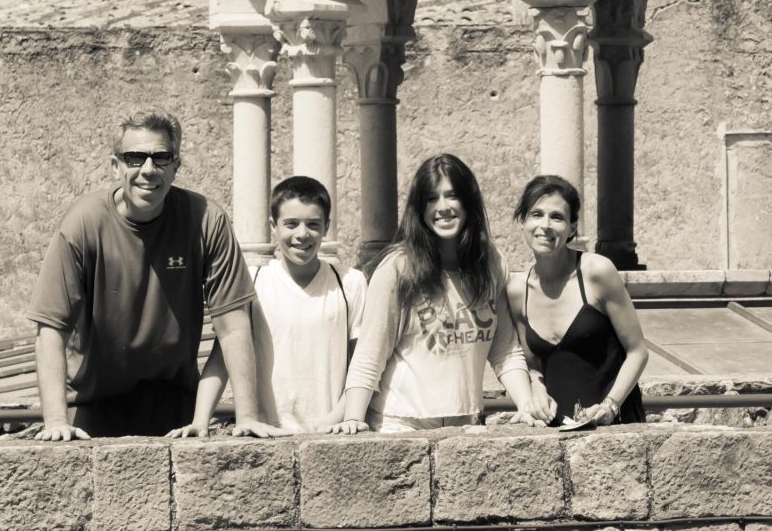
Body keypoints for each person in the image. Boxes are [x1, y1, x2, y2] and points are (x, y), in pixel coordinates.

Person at [27, 108, 287, 440]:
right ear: (116, 166)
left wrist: (246, 416)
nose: (148, 170)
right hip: (94, 407)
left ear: (176, 166)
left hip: (176, 407)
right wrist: (55, 422)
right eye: (135, 158)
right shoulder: (83, 224)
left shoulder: (206, 221)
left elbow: (234, 325)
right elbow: (51, 328)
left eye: (160, 157)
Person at [329, 153, 549, 434]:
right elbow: (370, 353)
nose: (443, 207)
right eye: (432, 198)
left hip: (466, 422)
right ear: (419, 208)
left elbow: (505, 350)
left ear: (468, 201)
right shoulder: (398, 268)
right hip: (400, 423)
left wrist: (526, 405)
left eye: (452, 196)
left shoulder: (490, 263)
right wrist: (353, 419)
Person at [507, 175, 648, 426]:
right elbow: (534, 366)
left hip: (615, 425)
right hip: (554, 431)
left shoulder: (597, 272)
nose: (545, 225)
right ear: (523, 222)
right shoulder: (517, 290)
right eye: (536, 214)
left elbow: (637, 351)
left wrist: (610, 406)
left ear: (572, 228)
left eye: (557, 217)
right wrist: (536, 389)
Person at [248, 176, 367, 431]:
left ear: (326, 227)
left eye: (313, 224)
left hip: (331, 431)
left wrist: (333, 421)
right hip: (268, 432)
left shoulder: (351, 283)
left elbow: (363, 366)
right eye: (291, 224)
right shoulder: (254, 281)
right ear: (273, 226)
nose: (302, 234)